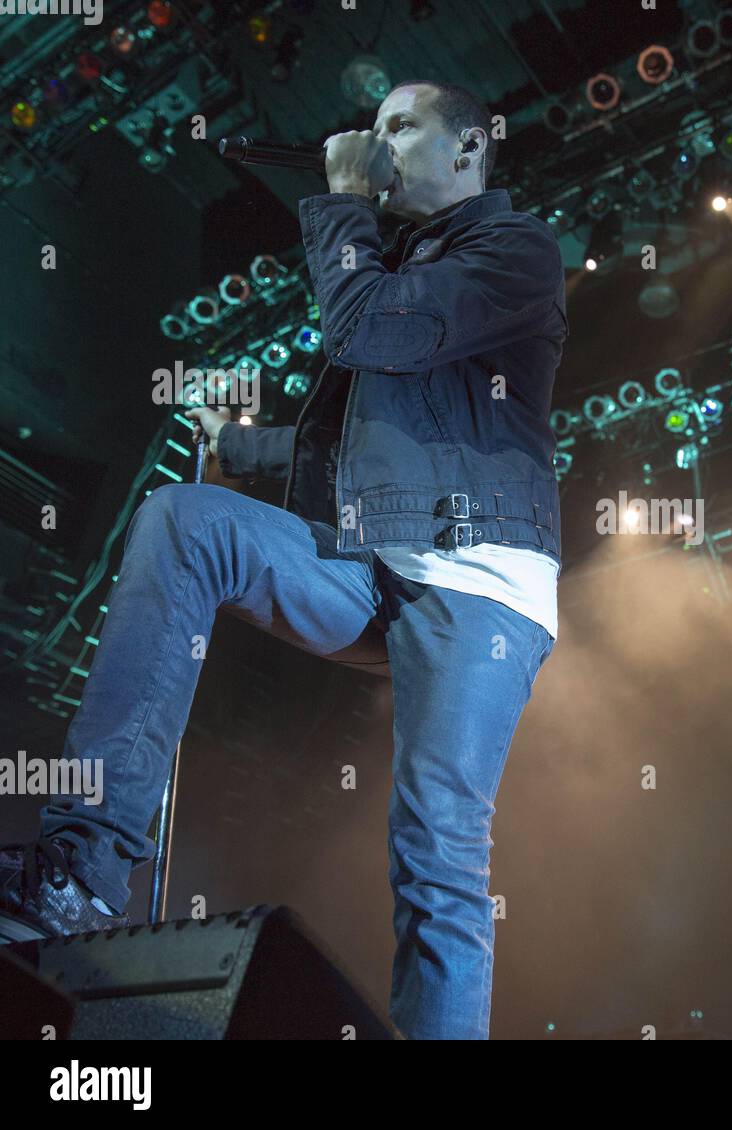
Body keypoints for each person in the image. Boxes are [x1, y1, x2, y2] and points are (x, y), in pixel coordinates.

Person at [0, 80, 567, 1040]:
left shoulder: (512, 251)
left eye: (401, 127)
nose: (381, 144)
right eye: (375, 129)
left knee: (436, 848)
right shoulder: (401, 265)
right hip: (372, 561)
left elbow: (367, 327)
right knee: (187, 519)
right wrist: (242, 446)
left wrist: (340, 200)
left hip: (481, 587)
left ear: (470, 148)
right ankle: (80, 876)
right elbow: (351, 452)